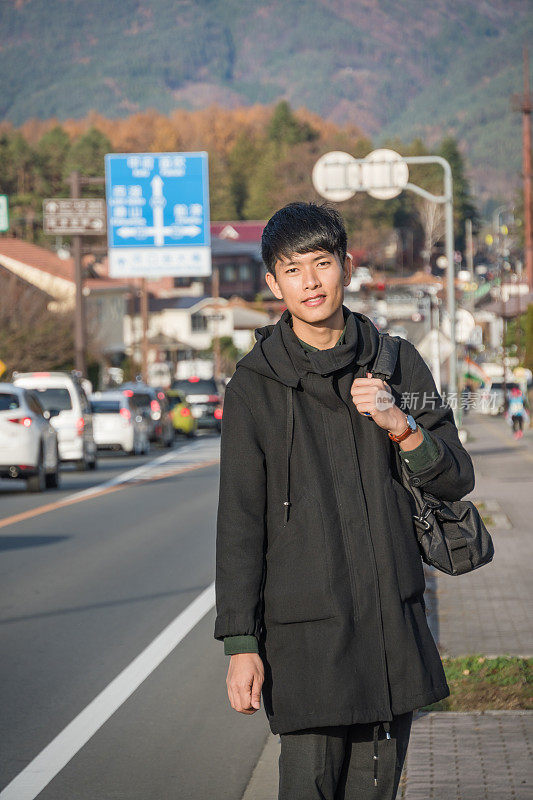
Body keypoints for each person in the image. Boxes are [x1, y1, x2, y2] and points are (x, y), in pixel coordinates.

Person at [214, 202, 475, 799]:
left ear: (347, 268)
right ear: (273, 283)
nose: (310, 281)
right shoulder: (255, 387)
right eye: (293, 269)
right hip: (305, 641)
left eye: (322, 263)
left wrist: (400, 424)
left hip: (390, 626)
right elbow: (239, 523)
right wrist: (241, 644)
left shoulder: (396, 361)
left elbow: (455, 477)